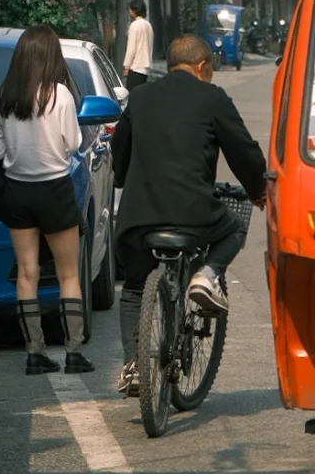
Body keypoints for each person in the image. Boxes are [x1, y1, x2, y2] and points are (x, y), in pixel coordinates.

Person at [111, 33, 267, 394]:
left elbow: (121, 150)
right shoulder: (212, 97)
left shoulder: (141, 96)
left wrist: (123, 178)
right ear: (202, 67)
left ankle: (134, 367)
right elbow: (242, 150)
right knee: (234, 228)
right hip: (193, 213)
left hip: (138, 216)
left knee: (134, 289)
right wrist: (259, 191)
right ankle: (206, 276)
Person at [0, 25, 93, 375]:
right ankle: (74, 351)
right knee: (68, 274)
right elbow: (73, 144)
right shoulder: (59, 95)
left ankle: (34, 352)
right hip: (55, 190)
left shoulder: (1, 97)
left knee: (27, 273)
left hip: (18, 192)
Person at [123, 0, 154, 90]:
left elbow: (131, 48)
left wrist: (126, 66)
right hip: (145, 67)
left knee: (132, 95)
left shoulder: (134, 25)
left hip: (135, 66)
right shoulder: (148, 25)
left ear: (134, 10)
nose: (129, 12)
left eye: (130, 9)